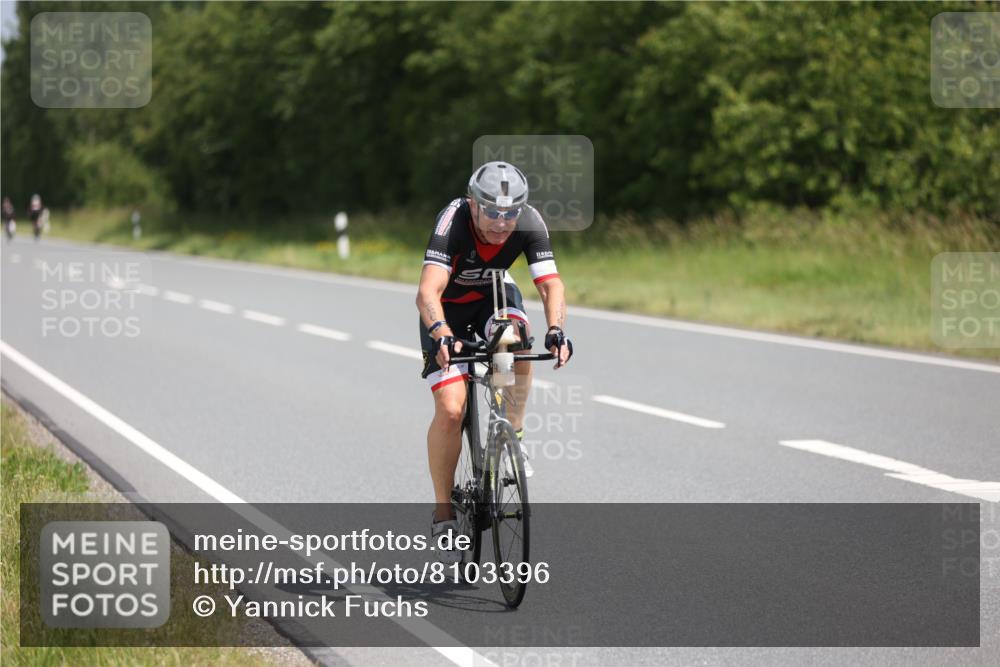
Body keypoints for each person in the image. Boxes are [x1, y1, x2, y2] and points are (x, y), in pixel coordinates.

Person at [415, 161, 573, 562]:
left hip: (494, 301)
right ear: (473, 204)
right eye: (493, 213)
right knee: (452, 410)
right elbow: (427, 293)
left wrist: (556, 330)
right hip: (446, 313)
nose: (503, 224)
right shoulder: (452, 221)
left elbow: (550, 284)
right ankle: (443, 511)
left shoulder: (530, 221)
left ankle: (511, 435)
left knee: (516, 340)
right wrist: (441, 334)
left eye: (511, 214)